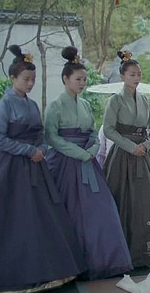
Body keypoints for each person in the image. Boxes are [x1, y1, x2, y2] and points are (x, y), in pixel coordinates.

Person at [0, 45, 85, 293]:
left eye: (33, 79)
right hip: (11, 169)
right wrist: (28, 150)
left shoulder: (32, 105)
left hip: (36, 167)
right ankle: (14, 273)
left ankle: (49, 269)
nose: (31, 83)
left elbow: (41, 135)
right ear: (13, 78)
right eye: (26, 79)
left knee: (43, 216)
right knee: (15, 218)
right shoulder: (3, 105)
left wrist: (41, 149)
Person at [44, 46, 133, 279]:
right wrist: (79, 153)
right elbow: (51, 137)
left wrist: (93, 149)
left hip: (88, 162)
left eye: (84, 79)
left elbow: (93, 132)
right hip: (65, 163)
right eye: (78, 79)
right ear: (66, 79)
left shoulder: (85, 105)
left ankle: (105, 260)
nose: (82, 83)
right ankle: (73, 264)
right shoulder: (55, 106)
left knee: (102, 210)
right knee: (70, 212)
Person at [103, 50, 150, 269]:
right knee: (122, 199)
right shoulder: (115, 100)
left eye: (139, 74)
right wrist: (130, 146)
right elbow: (108, 129)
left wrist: (146, 144)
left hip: (143, 154)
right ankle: (123, 251)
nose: (136, 78)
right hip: (122, 155)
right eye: (132, 74)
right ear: (122, 76)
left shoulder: (145, 100)